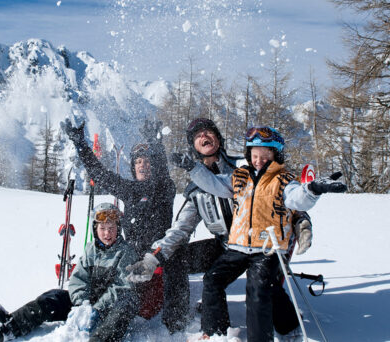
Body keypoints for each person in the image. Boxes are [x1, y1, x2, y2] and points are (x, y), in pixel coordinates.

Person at [126, 118, 313, 340]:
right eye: (197, 136)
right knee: (177, 257)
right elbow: (179, 230)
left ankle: (289, 328)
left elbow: (282, 192)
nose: (203, 136)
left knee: (266, 285)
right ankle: (191, 325)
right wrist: (153, 258)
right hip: (226, 246)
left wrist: (301, 220)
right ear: (193, 147)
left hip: (264, 243)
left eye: (208, 132)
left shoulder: (245, 166)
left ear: (218, 138)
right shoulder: (195, 190)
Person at [172, 125, 346, 342]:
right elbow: (214, 185)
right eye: (254, 156)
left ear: (275, 155)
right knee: (212, 280)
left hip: (267, 248)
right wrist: (193, 168)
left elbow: (296, 199)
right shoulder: (240, 176)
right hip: (237, 246)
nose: (259, 161)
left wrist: (312, 190)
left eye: (265, 156)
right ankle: (216, 333)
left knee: (257, 291)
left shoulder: (282, 180)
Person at [60, 118, 189, 333]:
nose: (143, 165)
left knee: (178, 259)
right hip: (134, 254)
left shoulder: (163, 188)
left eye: (147, 161)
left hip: (162, 252)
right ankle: (90, 309)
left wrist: (155, 144)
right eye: (138, 161)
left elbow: (163, 174)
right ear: (132, 167)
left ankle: (176, 327)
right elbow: (99, 174)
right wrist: (80, 144)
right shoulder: (128, 190)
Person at [0, 203, 139, 342]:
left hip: (109, 307)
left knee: (122, 310)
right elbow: (78, 278)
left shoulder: (126, 252)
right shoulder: (91, 249)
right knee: (54, 297)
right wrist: (81, 304)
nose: (107, 233)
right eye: (102, 228)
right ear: (95, 229)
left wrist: (96, 308)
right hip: (87, 302)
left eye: (111, 228)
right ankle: (10, 326)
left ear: (118, 229)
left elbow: (121, 287)